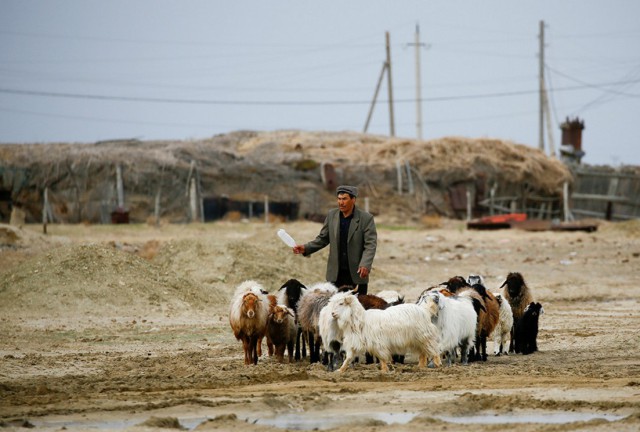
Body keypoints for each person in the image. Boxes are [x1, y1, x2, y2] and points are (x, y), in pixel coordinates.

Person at [293, 185, 377, 295]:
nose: (341, 202)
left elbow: (370, 245)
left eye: (344, 199)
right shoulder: (332, 215)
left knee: (358, 308)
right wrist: (305, 248)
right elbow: (323, 238)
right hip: (335, 275)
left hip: (357, 274)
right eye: (339, 199)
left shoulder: (366, 219)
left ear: (353, 199)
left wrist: (365, 264)